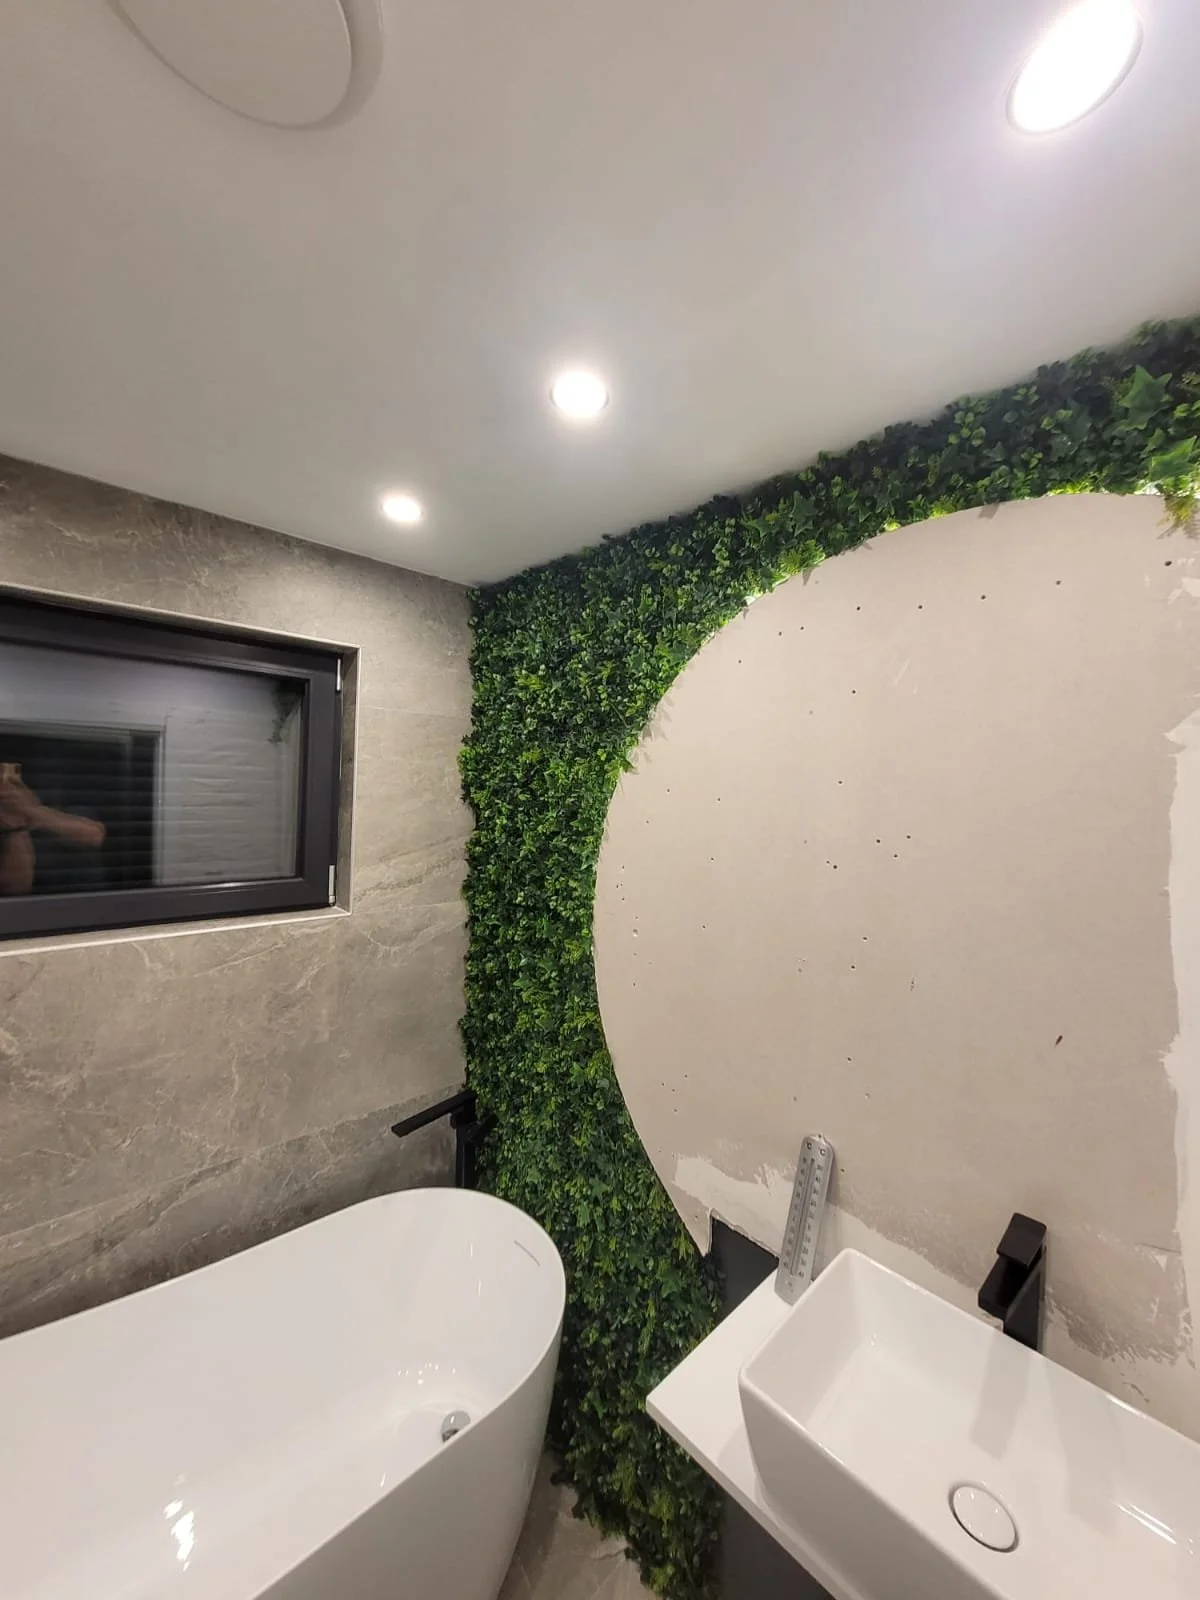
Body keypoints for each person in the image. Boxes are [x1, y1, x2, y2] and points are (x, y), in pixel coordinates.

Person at [0, 763, 106, 896]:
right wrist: (16, 824)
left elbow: (95, 836)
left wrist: (29, 811)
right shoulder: (10, 826)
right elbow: (16, 890)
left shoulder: (73, 810)